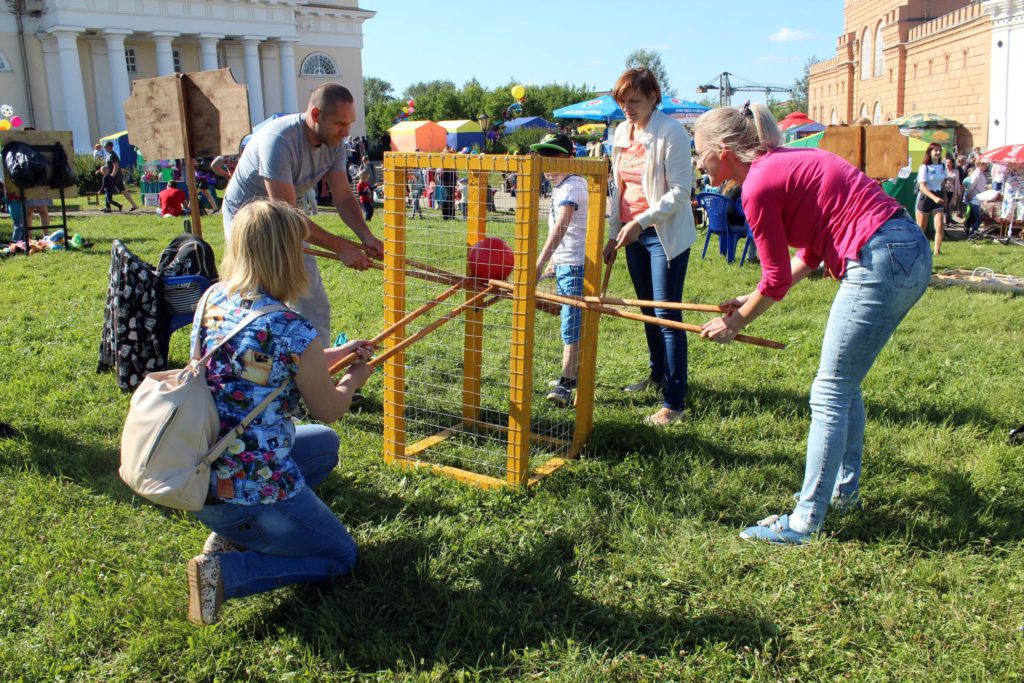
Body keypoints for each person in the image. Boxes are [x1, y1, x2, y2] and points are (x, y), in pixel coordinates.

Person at [694, 102, 931, 545]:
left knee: (830, 388)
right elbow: (813, 251)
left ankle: (805, 522)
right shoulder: (780, 164)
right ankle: (843, 494)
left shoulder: (758, 184)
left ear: (722, 151)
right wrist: (749, 298)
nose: (698, 163)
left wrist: (737, 322)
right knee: (846, 382)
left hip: (880, 259)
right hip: (907, 251)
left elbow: (778, 278)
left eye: (698, 153)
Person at [186, 199, 375, 625]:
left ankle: (235, 533)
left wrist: (339, 353)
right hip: (253, 486)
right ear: (286, 255)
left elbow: (260, 367)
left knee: (323, 447)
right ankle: (225, 575)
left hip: (203, 472)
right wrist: (356, 378)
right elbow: (329, 408)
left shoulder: (215, 298)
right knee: (340, 555)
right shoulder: (291, 329)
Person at [221, 82, 383, 343]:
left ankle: (319, 370)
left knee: (312, 304)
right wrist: (341, 247)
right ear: (316, 115)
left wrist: (367, 237)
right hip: (246, 220)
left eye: (349, 125)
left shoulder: (336, 143)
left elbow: (342, 196)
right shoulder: (279, 141)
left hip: (284, 217)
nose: (346, 132)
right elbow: (289, 215)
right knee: (256, 296)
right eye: (340, 124)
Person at [601, 67, 696, 426]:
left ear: (654, 97)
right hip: (632, 234)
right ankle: (658, 376)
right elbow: (619, 190)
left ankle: (674, 401)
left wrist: (640, 223)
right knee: (646, 311)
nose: (627, 107)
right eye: (623, 101)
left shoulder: (671, 132)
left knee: (666, 314)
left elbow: (680, 193)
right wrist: (615, 232)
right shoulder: (621, 133)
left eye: (635, 101)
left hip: (663, 235)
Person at [530, 133, 589, 407]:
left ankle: (567, 381)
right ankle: (571, 373)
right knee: (568, 318)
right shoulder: (562, 185)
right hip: (564, 262)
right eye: (544, 157)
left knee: (571, 321)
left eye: (555, 157)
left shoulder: (573, 185)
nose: (548, 165)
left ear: (570, 159)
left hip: (574, 265)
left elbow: (562, 225)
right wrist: (553, 263)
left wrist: (540, 262)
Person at [915, 142, 946, 255]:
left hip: (939, 196)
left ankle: (937, 251)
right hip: (926, 197)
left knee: (939, 225)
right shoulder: (924, 167)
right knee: (921, 228)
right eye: (935, 150)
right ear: (930, 152)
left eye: (939, 150)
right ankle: (917, 249)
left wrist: (945, 197)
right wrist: (933, 198)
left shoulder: (942, 166)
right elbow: (922, 186)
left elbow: (943, 183)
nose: (938, 153)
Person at [95, 140, 140, 211]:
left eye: (105, 147)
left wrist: (112, 175)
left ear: (110, 147)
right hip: (116, 176)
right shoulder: (109, 155)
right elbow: (108, 166)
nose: (104, 148)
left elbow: (116, 166)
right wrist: (99, 170)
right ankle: (134, 205)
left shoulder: (113, 155)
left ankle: (108, 207)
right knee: (123, 191)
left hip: (115, 177)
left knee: (107, 189)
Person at [963, 159, 989, 236]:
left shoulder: (980, 173)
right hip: (975, 197)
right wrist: (968, 195)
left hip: (978, 196)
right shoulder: (977, 173)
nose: (986, 165)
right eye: (985, 164)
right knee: (977, 217)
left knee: (972, 215)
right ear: (980, 164)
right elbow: (971, 186)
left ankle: (968, 230)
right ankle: (973, 232)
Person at [942, 157, 961, 224]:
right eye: (947, 163)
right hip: (945, 190)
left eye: (949, 162)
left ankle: (949, 218)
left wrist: (958, 192)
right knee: (945, 205)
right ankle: (947, 220)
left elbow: (958, 182)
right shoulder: (944, 171)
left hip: (952, 190)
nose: (948, 164)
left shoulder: (956, 171)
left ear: (952, 163)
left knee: (951, 205)